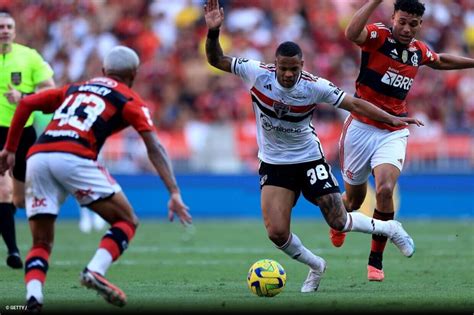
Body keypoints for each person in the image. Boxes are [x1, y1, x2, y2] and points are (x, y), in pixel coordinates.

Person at [204, 0, 421, 293]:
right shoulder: (256, 72)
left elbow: (355, 103)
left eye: (294, 69)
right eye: (284, 69)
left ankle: (389, 228)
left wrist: (393, 117)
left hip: (309, 159)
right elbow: (216, 60)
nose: (289, 75)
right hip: (274, 162)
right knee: (277, 233)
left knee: (338, 219)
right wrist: (214, 32)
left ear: (302, 66)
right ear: (275, 64)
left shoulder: (314, 85)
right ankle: (316, 265)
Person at [0, 45, 192, 311]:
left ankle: (34, 298)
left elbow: (26, 103)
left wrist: (9, 149)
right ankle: (95, 270)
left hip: (39, 156)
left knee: (41, 242)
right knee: (126, 220)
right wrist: (173, 191)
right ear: (133, 75)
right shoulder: (129, 98)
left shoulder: (74, 88)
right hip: (74, 156)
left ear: (104, 70)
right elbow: (154, 147)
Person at [331, 0, 474, 282]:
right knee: (353, 199)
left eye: (413, 23)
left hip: (394, 129)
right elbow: (351, 34)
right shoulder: (378, 36)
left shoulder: (417, 51)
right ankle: (338, 221)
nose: (407, 28)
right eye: (402, 21)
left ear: (421, 25)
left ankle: (375, 260)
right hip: (360, 128)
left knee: (384, 189)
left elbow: (441, 60)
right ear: (393, 18)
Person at [0, 11, 55, 269]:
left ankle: (9, 218)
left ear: (15, 28)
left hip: (24, 132)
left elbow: (50, 89)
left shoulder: (29, 56)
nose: (5, 30)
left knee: (18, 199)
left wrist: (24, 96)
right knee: (4, 190)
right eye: (1, 26)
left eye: (9, 26)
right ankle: (13, 251)